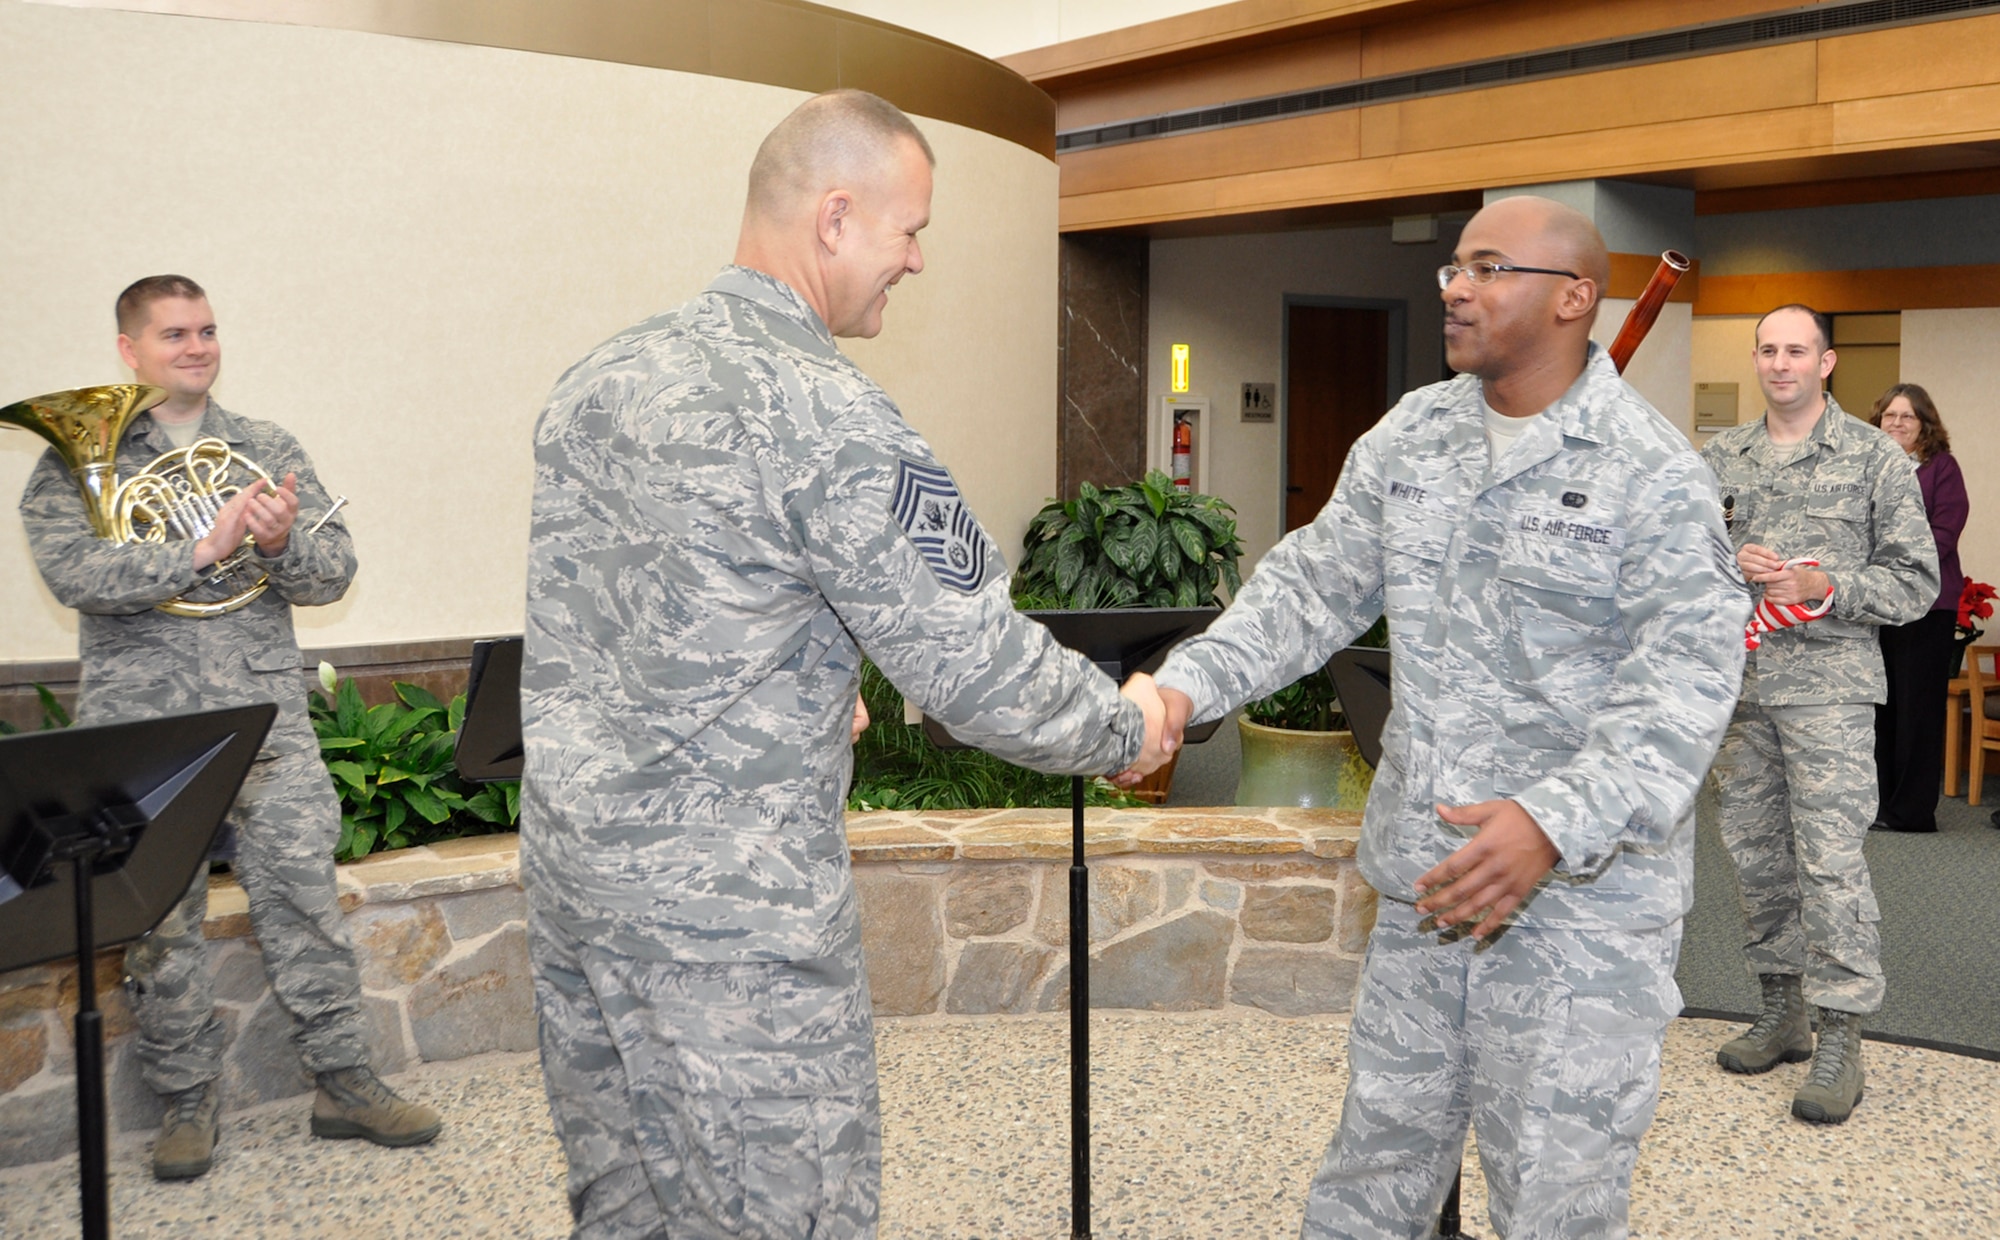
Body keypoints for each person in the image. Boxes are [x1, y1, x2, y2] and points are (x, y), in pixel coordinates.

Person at [520, 90, 1168, 1240]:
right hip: (730, 928)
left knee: (627, 1214)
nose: (914, 260)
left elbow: (643, 626)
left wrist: (810, 686)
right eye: (907, 230)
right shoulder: (826, 414)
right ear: (833, 219)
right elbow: (973, 663)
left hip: (580, 892)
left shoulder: (594, 381)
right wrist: (1124, 726)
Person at [1148, 196, 1749, 1238]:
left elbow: (1685, 682)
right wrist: (1181, 685)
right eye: (1450, 270)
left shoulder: (1649, 470)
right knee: (1372, 1174)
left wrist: (1552, 817)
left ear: (1572, 297)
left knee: (1553, 1201)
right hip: (1427, 894)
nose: (1455, 288)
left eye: (1485, 267)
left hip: (1579, 918)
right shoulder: (1412, 436)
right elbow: (1308, 589)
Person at [18, 276, 441, 1180]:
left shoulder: (264, 446)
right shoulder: (69, 465)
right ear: (129, 350)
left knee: (306, 905)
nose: (197, 347)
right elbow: (76, 575)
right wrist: (200, 550)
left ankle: (345, 1082)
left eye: (207, 330)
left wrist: (283, 543)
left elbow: (332, 573)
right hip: (144, 732)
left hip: (264, 722)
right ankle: (187, 1104)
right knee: (161, 925)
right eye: (174, 334)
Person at [1700, 306, 1938, 1125]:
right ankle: (1783, 1008)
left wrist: (1825, 587)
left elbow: (1916, 582)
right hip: (1744, 690)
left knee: (1831, 862)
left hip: (1831, 695)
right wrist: (1731, 563)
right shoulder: (1721, 456)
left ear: (1827, 361)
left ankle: (1842, 1033)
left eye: (1797, 350)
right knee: (1756, 855)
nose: (1780, 364)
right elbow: (1677, 563)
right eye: (1767, 349)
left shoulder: (1877, 459)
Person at [1867, 383, 1968, 833]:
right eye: (1890, 416)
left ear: (1925, 424)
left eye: (1907, 417)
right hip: (1880, 605)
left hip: (1927, 607)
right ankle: (1881, 804)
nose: (1897, 424)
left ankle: (1912, 812)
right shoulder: (1871, 468)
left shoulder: (1942, 469)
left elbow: (1944, 533)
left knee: (1917, 711)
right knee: (1882, 708)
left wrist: (1893, 562)